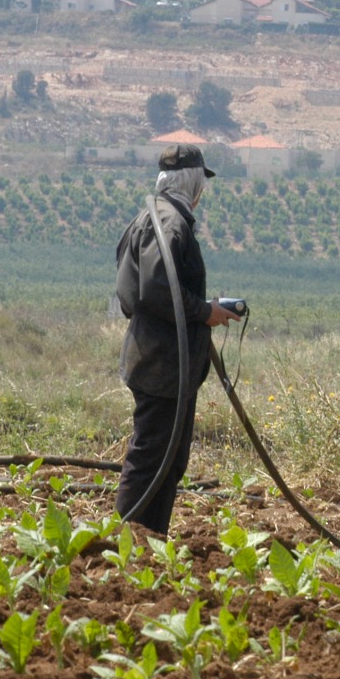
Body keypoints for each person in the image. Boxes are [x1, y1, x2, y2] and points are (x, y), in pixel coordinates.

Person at [113, 143, 241, 533]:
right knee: (152, 456)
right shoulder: (170, 223)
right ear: (193, 183)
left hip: (165, 362)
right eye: (202, 183)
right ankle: (127, 541)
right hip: (164, 365)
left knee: (169, 459)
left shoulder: (152, 218)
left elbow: (134, 293)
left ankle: (150, 538)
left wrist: (201, 309)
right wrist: (204, 312)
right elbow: (155, 288)